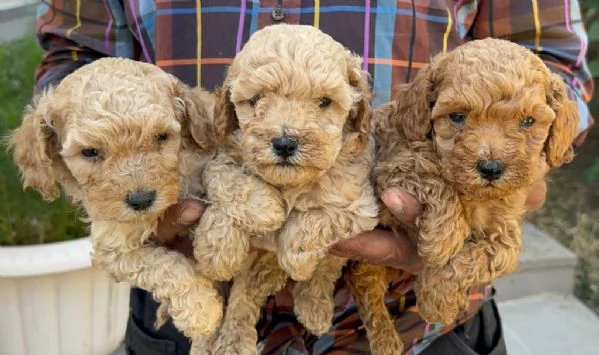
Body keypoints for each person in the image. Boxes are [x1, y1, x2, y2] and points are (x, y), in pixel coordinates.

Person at [34, 1, 593, 354]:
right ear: (225, 108)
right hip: (188, 310)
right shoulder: (214, 129)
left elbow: (553, 63)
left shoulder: (381, 128)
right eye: (254, 102)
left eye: (325, 103)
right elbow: (72, 56)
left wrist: (506, 186)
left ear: (356, 108)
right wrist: (110, 168)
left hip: (423, 322)